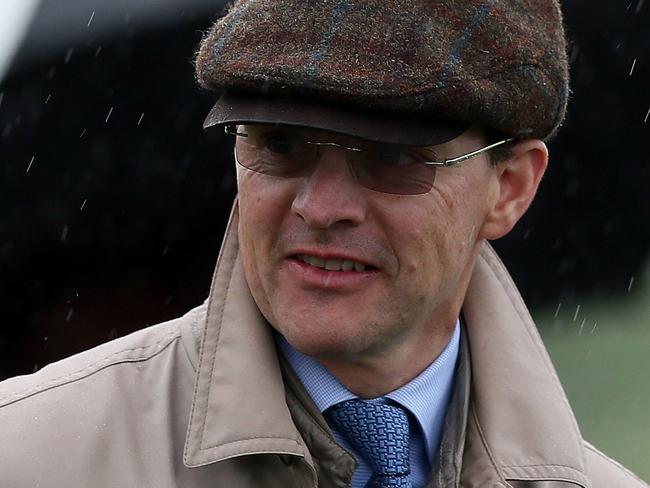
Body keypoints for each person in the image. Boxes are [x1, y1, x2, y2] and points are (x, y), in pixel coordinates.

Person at [0, 1, 647, 487]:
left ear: (510, 188)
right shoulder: (29, 456)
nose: (321, 207)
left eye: (392, 158)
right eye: (279, 145)